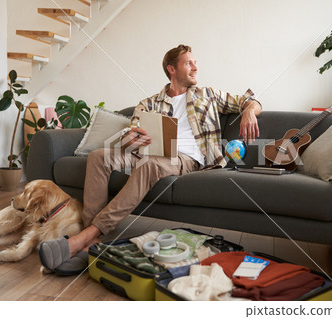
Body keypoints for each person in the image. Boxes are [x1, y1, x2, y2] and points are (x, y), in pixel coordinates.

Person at [38, 44, 262, 274]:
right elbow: (130, 133)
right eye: (189, 63)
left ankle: (84, 238)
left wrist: (247, 111)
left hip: (187, 158)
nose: (196, 67)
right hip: (148, 153)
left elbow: (252, 101)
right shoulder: (149, 104)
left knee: (150, 165)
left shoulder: (208, 96)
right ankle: (91, 243)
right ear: (172, 69)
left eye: (195, 62)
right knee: (98, 157)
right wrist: (131, 138)